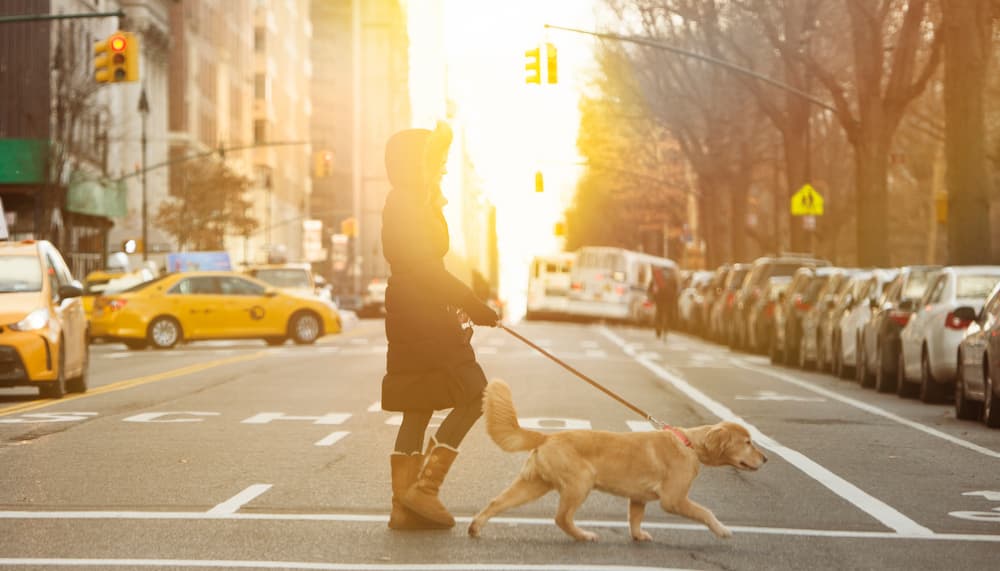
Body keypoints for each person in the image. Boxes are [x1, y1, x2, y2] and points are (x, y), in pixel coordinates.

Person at [379, 121, 499, 531]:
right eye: (438, 162)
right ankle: (423, 491)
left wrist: (460, 304)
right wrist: (471, 303)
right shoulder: (407, 204)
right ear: (418, 165)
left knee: (418, 405)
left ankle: (403, 508)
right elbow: (426, 267)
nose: (444, 169)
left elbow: (427, 268)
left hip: (417, 312)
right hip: (422, 316)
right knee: (475, 394)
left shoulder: (412, 201)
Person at [650, 266, 677, 340]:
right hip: (669, 299)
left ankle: (658, 330)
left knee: (659, 313)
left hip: (659, 298)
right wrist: (674, 300)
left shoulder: (658, 276)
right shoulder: (672, 277)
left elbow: (651, 286)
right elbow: (675, 289)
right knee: (667, 315)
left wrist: (652, 297)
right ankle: (665, 330)